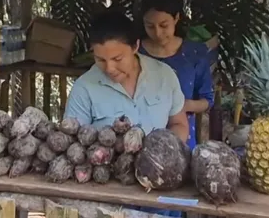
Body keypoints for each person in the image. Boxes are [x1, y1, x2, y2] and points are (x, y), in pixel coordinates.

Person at [63, 9, 189, 143]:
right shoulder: (84, 88)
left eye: (117, 59)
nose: (109, 69)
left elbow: (178, 124)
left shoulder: (165, 75)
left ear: (135, 46)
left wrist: (164, 150)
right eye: (100, 60)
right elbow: (72, 141)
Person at [139, 0, 217, 149]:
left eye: (163, 25)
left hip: (183, 140)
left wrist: (182, 105)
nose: (158, 33)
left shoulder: (195, 53)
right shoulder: (135, 52)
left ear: (176, 18)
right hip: (140, 138)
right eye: (150, 26)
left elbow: (207, 100)